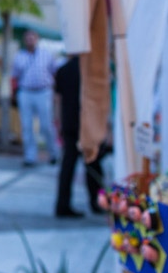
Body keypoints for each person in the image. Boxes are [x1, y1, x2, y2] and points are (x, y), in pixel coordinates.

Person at [53, 55, 105, 218]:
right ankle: (96, 202)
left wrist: (59, 121)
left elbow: (57, 100)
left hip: (69, 122)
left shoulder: (63, 70)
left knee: (68, 165)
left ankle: (63, 203)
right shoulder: (91, 71)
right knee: (92, 163)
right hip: (88, 122)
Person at [10, 29, 60, 167]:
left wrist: (55, 93)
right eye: (27, 38)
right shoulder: (19, 56)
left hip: (43, 92)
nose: (30, 41)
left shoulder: (47, 55)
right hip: (26, 92)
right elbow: (15, 76)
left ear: (37, 39)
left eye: (32, 38)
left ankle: (53, 153)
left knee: (46, 125)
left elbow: (54, 73)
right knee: (27, 126)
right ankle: (30, 156)